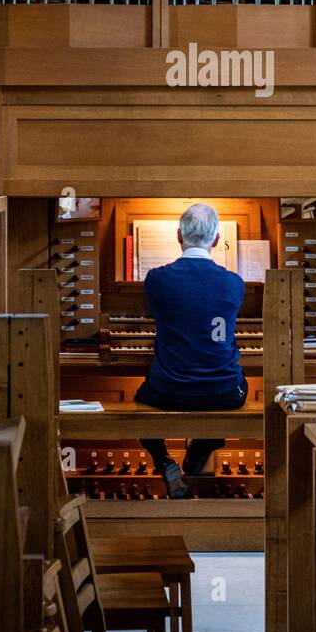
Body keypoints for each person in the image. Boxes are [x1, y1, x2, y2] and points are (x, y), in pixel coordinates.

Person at [136, 202, 247, 498]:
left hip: (169, 387)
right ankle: (196, 458)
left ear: (178, 236)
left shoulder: (156, 279)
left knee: (140, 400)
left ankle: (163, 461)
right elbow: (218, 328)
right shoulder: (234, 283)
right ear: (215, 239)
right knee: (230, 394)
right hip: (223, 390)